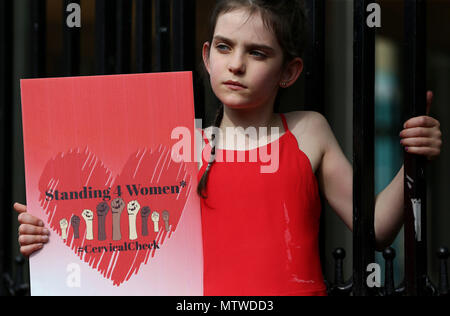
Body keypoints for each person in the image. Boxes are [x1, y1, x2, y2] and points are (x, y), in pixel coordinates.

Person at [14, 0, 442, 296]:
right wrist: (47, 234)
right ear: (207, 56)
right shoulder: (175, 142)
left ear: (289, 72)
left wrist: (413, 161)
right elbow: (110, 232)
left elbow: (374, 229)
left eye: (257, 53)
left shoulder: (309, 131)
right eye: (224, 47)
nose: (236, 64)